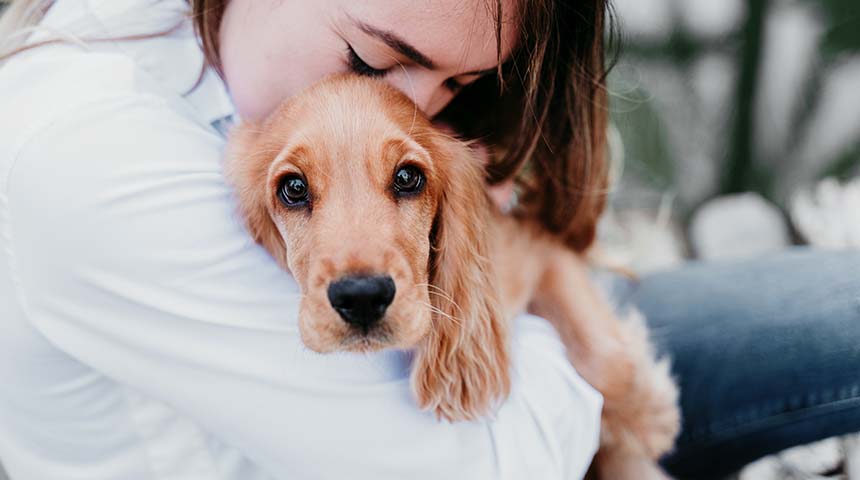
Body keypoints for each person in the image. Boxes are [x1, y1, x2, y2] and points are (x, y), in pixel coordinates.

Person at [0, 1, 858, 479]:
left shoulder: (208, 52)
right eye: (372, 62)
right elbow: (492, 464)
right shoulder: (95, 157)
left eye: (456, 83)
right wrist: (572, 338)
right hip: (521, 417)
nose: (417, 111)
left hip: (531, 352)